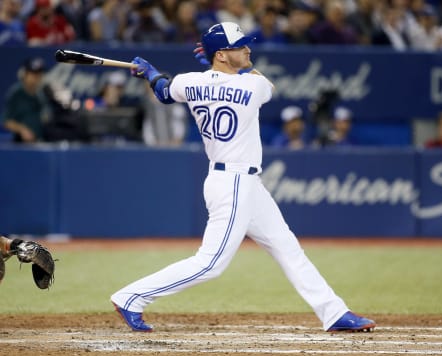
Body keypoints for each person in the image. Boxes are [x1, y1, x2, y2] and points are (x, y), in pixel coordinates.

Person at [110, 22, 376, 333]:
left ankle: (333, 312)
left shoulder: (188, 82)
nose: (248, 49)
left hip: (241, 182)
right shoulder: (252, 85)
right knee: (210, 264)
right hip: (234, 182)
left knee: (286, 247)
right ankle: (131, 297)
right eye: (239, 47)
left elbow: (165, 92)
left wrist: (150, 73)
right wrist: (214, 70)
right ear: (221, 54)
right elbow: (267, 86)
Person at [1, 57, 48, 143]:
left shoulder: (43, 94)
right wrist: (22, 130)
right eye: (33, 73)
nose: (37, 77)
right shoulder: (16, 93)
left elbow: (47, 117)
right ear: (24, 74)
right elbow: (6, 121)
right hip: (21, 144)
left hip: (41, 143)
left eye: (39, 74)